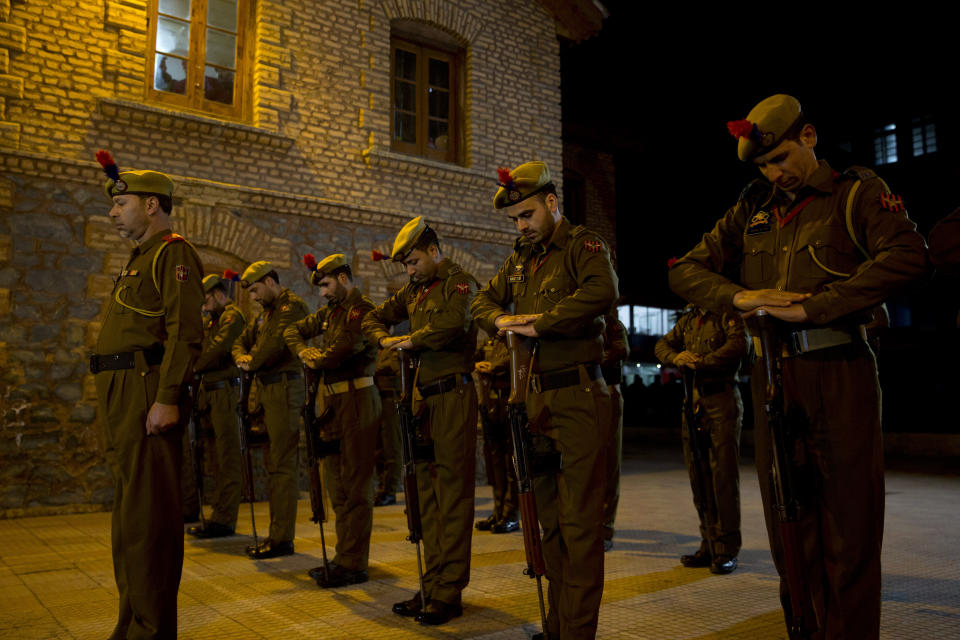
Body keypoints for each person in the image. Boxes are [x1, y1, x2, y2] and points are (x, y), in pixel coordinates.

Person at [669, 94, 928, 638]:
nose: (775, 171)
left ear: (809, 137)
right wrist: (739, 298)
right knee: (789, 520)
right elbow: (685, 270)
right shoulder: (754, 209)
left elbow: (908, 254)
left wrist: (816, 305)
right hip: (772, 377)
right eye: (765, 164)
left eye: (782, 157)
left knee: (848, 529)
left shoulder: (855, 193)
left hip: (838, 369)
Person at [471, 161, 618, 640]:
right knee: (547, 524)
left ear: (552, 203)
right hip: (534, 402)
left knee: (579, 527)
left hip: (578, 396)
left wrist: (540, 323)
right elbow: (481, 302)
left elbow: (602, 291)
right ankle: (557, 627)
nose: (522, 225)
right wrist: (501, 323)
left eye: (528, 214)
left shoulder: (582, 246)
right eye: (515, 219)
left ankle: (576, 634)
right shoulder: (519, 260)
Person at [91, 150, 204, 639]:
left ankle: (151, 630)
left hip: (145, 391)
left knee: (149, 521)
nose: (113, 212)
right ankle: (131, 623)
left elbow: (185, 332)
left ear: (153, 204)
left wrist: (168, 397)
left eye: (122, 203)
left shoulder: (172, 252)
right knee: (128, 519)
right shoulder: (141, 258)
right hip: (121, 391)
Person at [362, 216, 479, 626]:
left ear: (433, 250)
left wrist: (409, 339)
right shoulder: (414, 289)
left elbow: (453, 324)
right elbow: (373, 318)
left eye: (413, 262)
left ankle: (450, 592)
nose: (409, 272)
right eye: (405, 265)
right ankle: (431, 584)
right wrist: (383, 339)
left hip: (454, 397)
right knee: (426, 499)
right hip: (421, 401)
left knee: (452, 497)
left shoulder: (459, 282)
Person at [284, 253, 381, 587]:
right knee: (337, 485)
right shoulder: (330, 312)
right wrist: (303, 352)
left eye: (325, 284)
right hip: (333, 403)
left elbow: (344, 348)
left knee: (355, 485)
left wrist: (315, 359)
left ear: (342, 277)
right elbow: (293, 330)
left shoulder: (362, 310)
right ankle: (343, 557)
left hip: (357, 399)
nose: (322, 293)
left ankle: (354, 563)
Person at [654, 305, 746, 574]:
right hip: (693, 399)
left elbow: (738, 346)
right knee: (699, 473)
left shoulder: (728, 316)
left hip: (722, 398)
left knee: (724, 477)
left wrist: (700, 362)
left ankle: (726, 547)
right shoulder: (689, 320)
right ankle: (708, 543)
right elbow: (662, 346)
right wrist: (677, 357)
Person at [231, 260, 309, 559]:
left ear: (270, 281)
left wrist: (250, 360)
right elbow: (240, 341)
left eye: (255, 290)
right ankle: (276, 534)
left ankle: (281, 539)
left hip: (284, 389)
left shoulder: (292, 308)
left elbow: (273, 346)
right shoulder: (265, 315)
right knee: (273, 465)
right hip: (266, 390)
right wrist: (243, 358)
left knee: (283, 466)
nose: (253, 297)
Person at [186, 272, 246, 538]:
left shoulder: (232, 316)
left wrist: (194, 368)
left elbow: (219, 349)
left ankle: (224, 518)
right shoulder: (212, 320)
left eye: (206, 299)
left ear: (220, 295)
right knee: (213, 456)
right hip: (208, 393)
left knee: (228, 455)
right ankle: (211, 511)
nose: (203, 305)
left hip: (225, 392)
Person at [474, 333, 519, 534]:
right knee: (495, 461)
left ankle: (511, 513)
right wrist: (478, 364)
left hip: (509, 401)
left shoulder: (515, 337)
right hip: (490, 402)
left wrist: (494, 366)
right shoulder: (489, 340)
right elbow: (473, 357)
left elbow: (518, 357)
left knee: (512, 461)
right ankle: (498, 510)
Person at [600, 310, 629, 553]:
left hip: (608, 391)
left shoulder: (611, 323)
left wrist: (589, 358)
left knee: (609, 464)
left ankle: (605, 528)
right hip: (586, 394)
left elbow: (621, 349)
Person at [373, 341, 402, 506]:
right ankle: (382, 487)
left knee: (391, 446)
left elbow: (393, 367)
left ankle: (389, 490)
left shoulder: (393, 346)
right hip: (377, 398)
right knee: (379, 448)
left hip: (391, 398)